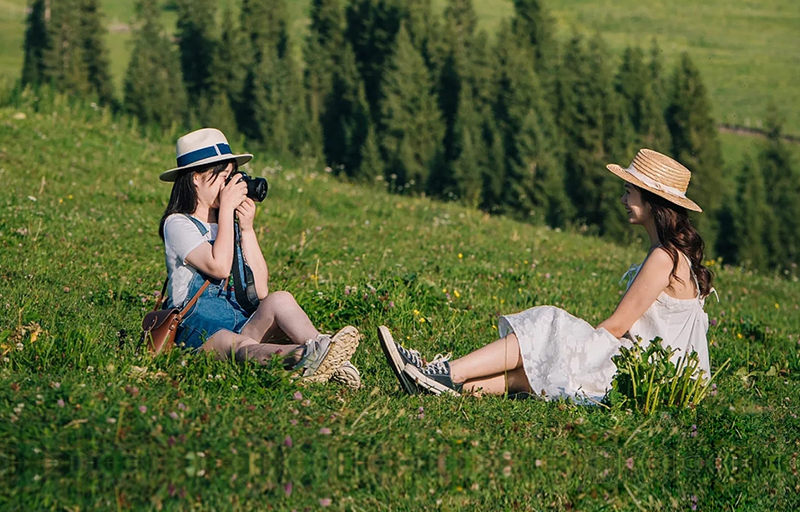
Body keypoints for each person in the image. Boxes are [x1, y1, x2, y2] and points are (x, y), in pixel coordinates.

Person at [378, 149, 713, 402]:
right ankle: (436, 385)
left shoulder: (663, 257)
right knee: (533, 371)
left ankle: (444, 372)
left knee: (549, 324)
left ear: (652, 202)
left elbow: (616, 326)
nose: (623, 199)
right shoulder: (674, 255)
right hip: (660, 377)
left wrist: (575, 347)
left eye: (630, 191)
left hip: (648, 376)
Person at [158, 128, 361, 387]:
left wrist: (247, 229)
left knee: (280, 299)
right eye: (223, 178)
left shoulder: (227, 222)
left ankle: (325, 350)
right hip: (200, 333)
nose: (230, 186)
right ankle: (308, 356)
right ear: (196, 178)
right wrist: (227, 211)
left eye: (232, 177)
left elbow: (262, 289)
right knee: (240, 345)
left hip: (240, 319)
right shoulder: (177, 224)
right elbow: (218, 267)